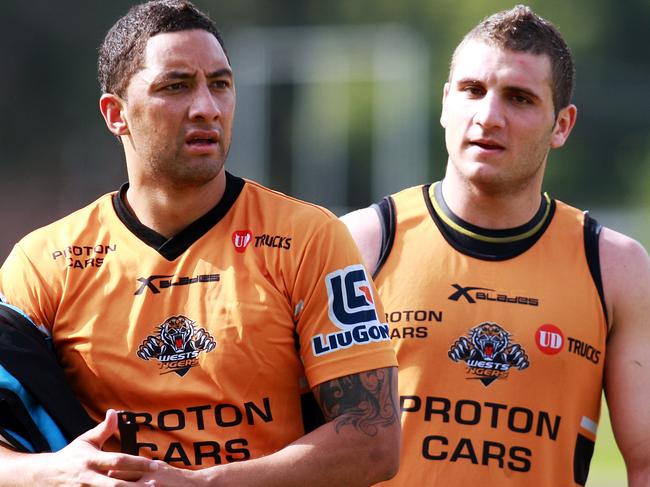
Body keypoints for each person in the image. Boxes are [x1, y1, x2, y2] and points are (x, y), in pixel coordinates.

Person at [0, 1, 400, 485]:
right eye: (176, 86)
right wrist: (54, 472)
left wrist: (202, 485)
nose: (207, 107)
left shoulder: (310, 238)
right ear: (115, 114)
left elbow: (374, 440)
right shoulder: (45, 262)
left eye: (220, 84)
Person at [342, 5, 650, 487]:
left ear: (562, 125)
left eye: (519, 99)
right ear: (445, 103)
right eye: (472, 90)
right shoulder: (360, 243)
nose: (488, 116)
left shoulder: (615, 267)